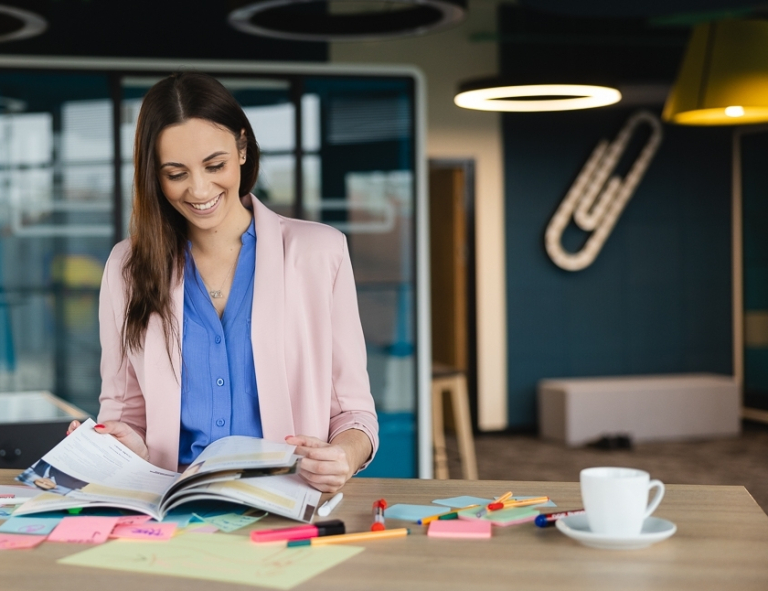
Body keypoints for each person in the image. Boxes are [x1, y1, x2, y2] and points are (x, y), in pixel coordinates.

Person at [68, 72, 378, 493]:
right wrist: (118, 445)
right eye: (176, 173)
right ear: (153, 176)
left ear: (243, 148)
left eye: (215, 165)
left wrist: (345, 455)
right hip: (172, 503)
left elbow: (353, 414)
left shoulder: (320, 253)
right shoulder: (127, 267)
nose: (199, 189)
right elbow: (125, 413)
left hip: (286, 499)